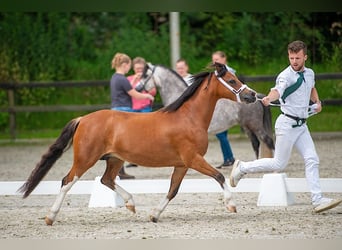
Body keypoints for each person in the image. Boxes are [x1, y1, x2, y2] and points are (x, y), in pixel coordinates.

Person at [230, 40, 342, 213]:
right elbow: (278, 90)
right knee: (278, 164)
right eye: (291, 58)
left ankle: (317, 199)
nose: (294, 61)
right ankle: (242, 168)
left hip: (302, 126)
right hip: (287, 125)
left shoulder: (310, 73)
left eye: (297, 58)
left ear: (305, 56)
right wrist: (269, 98)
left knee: (312, 159)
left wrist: (317, 102)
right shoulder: (285, 76)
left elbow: (311, 87)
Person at [110, 52, 154, 179]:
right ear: (124, 65)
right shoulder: (122, 79)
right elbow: (134, 94)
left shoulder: (115, 77)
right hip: (124, 110)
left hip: (116, 108)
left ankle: (120, 171)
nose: (130, 68)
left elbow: (128, 88)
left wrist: (134, 79)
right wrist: (147, 96)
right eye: (129, 66)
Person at [125, 57, 157, 168]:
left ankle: (149, 156)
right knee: (133, 135)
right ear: (133, 68)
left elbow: (153, 92)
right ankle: (133, 158)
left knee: (147, 134)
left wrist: (145, 86)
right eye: (137, 68)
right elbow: (127, 92)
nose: (139, 70)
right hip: (132, 110)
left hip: (145, 108)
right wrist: (135, 80)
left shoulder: (147, 79)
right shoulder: (128, 79)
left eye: (141, 69)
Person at [211, 51, 236, 168]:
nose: (214, 62)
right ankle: (228, 158)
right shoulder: (216, 72)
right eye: (213, 60)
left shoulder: (228, 71)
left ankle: (229, 158)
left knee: (220, 133)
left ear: (224, 59)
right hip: (218, 105)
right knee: (222, 134)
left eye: (217, 59)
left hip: (226, 105)